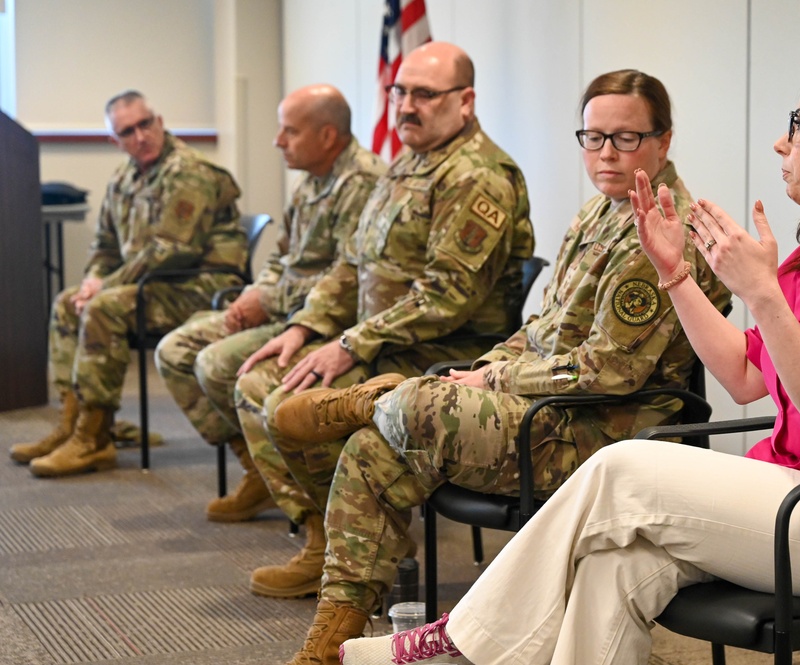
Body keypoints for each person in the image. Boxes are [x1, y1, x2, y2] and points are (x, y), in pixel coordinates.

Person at [339, 57, 800, 665]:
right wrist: (676, 275)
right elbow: (745, 375)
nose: (782, 146)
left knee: (622, 468)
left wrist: (761, 295)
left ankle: (457, 638)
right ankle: (474, 642)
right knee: (610, 566)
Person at [283, 69, 730, 663]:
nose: (605, 153)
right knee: (370, 451)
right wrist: (490, 365)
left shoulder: (662, 232)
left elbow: (607, 374)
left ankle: (377, 396)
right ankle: (332, 639)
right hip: (547, 408)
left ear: (663, 141)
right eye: (593, 137)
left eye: (626, 138)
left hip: (608, 429)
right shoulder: (597, 214)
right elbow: (542, 331)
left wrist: (490, 378)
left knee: (420, 406)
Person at [231, 41, 535, 602]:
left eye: (424, 93)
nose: (406, 105)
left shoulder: (478, 176)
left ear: (465, 102)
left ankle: (366, 548)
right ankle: (333, 539)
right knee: (258, 383)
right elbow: (354, 262)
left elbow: (447, 297)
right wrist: (306, 326)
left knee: (285, 404)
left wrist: (350, 344)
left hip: (442, 357)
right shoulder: (408, 159)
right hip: (377, 342)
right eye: (399, 91)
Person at [153, 84, 385, 522]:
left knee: (218, 365)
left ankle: (308, 510)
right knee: (176, 352)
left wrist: (270, 298)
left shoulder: (363, 183)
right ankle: (260, 469)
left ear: (328, 137)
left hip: (327, 323)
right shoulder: (311, 178)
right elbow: (283, 256)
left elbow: (349, 278)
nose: (278, 141)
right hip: (285, 310)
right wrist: (255, 292)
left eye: (289, 131)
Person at [10, 90, 247, 478]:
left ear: (160, 121)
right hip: (150, 285)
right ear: (114, 141)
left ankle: (93, 439)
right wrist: (92, 280)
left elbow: (171, 251)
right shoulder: (124, 177)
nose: (140, 136)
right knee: (67, 303)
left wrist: (103, 289)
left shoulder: (189, 171)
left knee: (104, 308)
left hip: (200, 285)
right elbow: (105, 244)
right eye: (127, 131)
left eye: (145, 124)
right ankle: (75, 423)